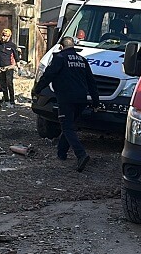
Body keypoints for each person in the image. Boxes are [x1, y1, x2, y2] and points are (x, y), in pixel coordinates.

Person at [32, 36, 100, 172]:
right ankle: (61, 153)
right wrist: (95, 101)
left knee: (67, 127)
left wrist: (37, 89)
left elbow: (48, 75)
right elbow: (92, 82)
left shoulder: (60, 58)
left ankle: (81, 155)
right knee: (69, 125)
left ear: (62, 47)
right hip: (81, 100)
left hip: (66, 98)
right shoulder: (82, 60)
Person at [0, 28, 22, 106]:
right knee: (3, 85)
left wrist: (19, 68)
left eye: (5, 36)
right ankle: (6, 100)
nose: (3, 37)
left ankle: (12, 101)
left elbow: (16, 57)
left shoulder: (12, 45)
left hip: (9, 67)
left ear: (9, 36)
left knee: (9, 84)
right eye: (2, 35)